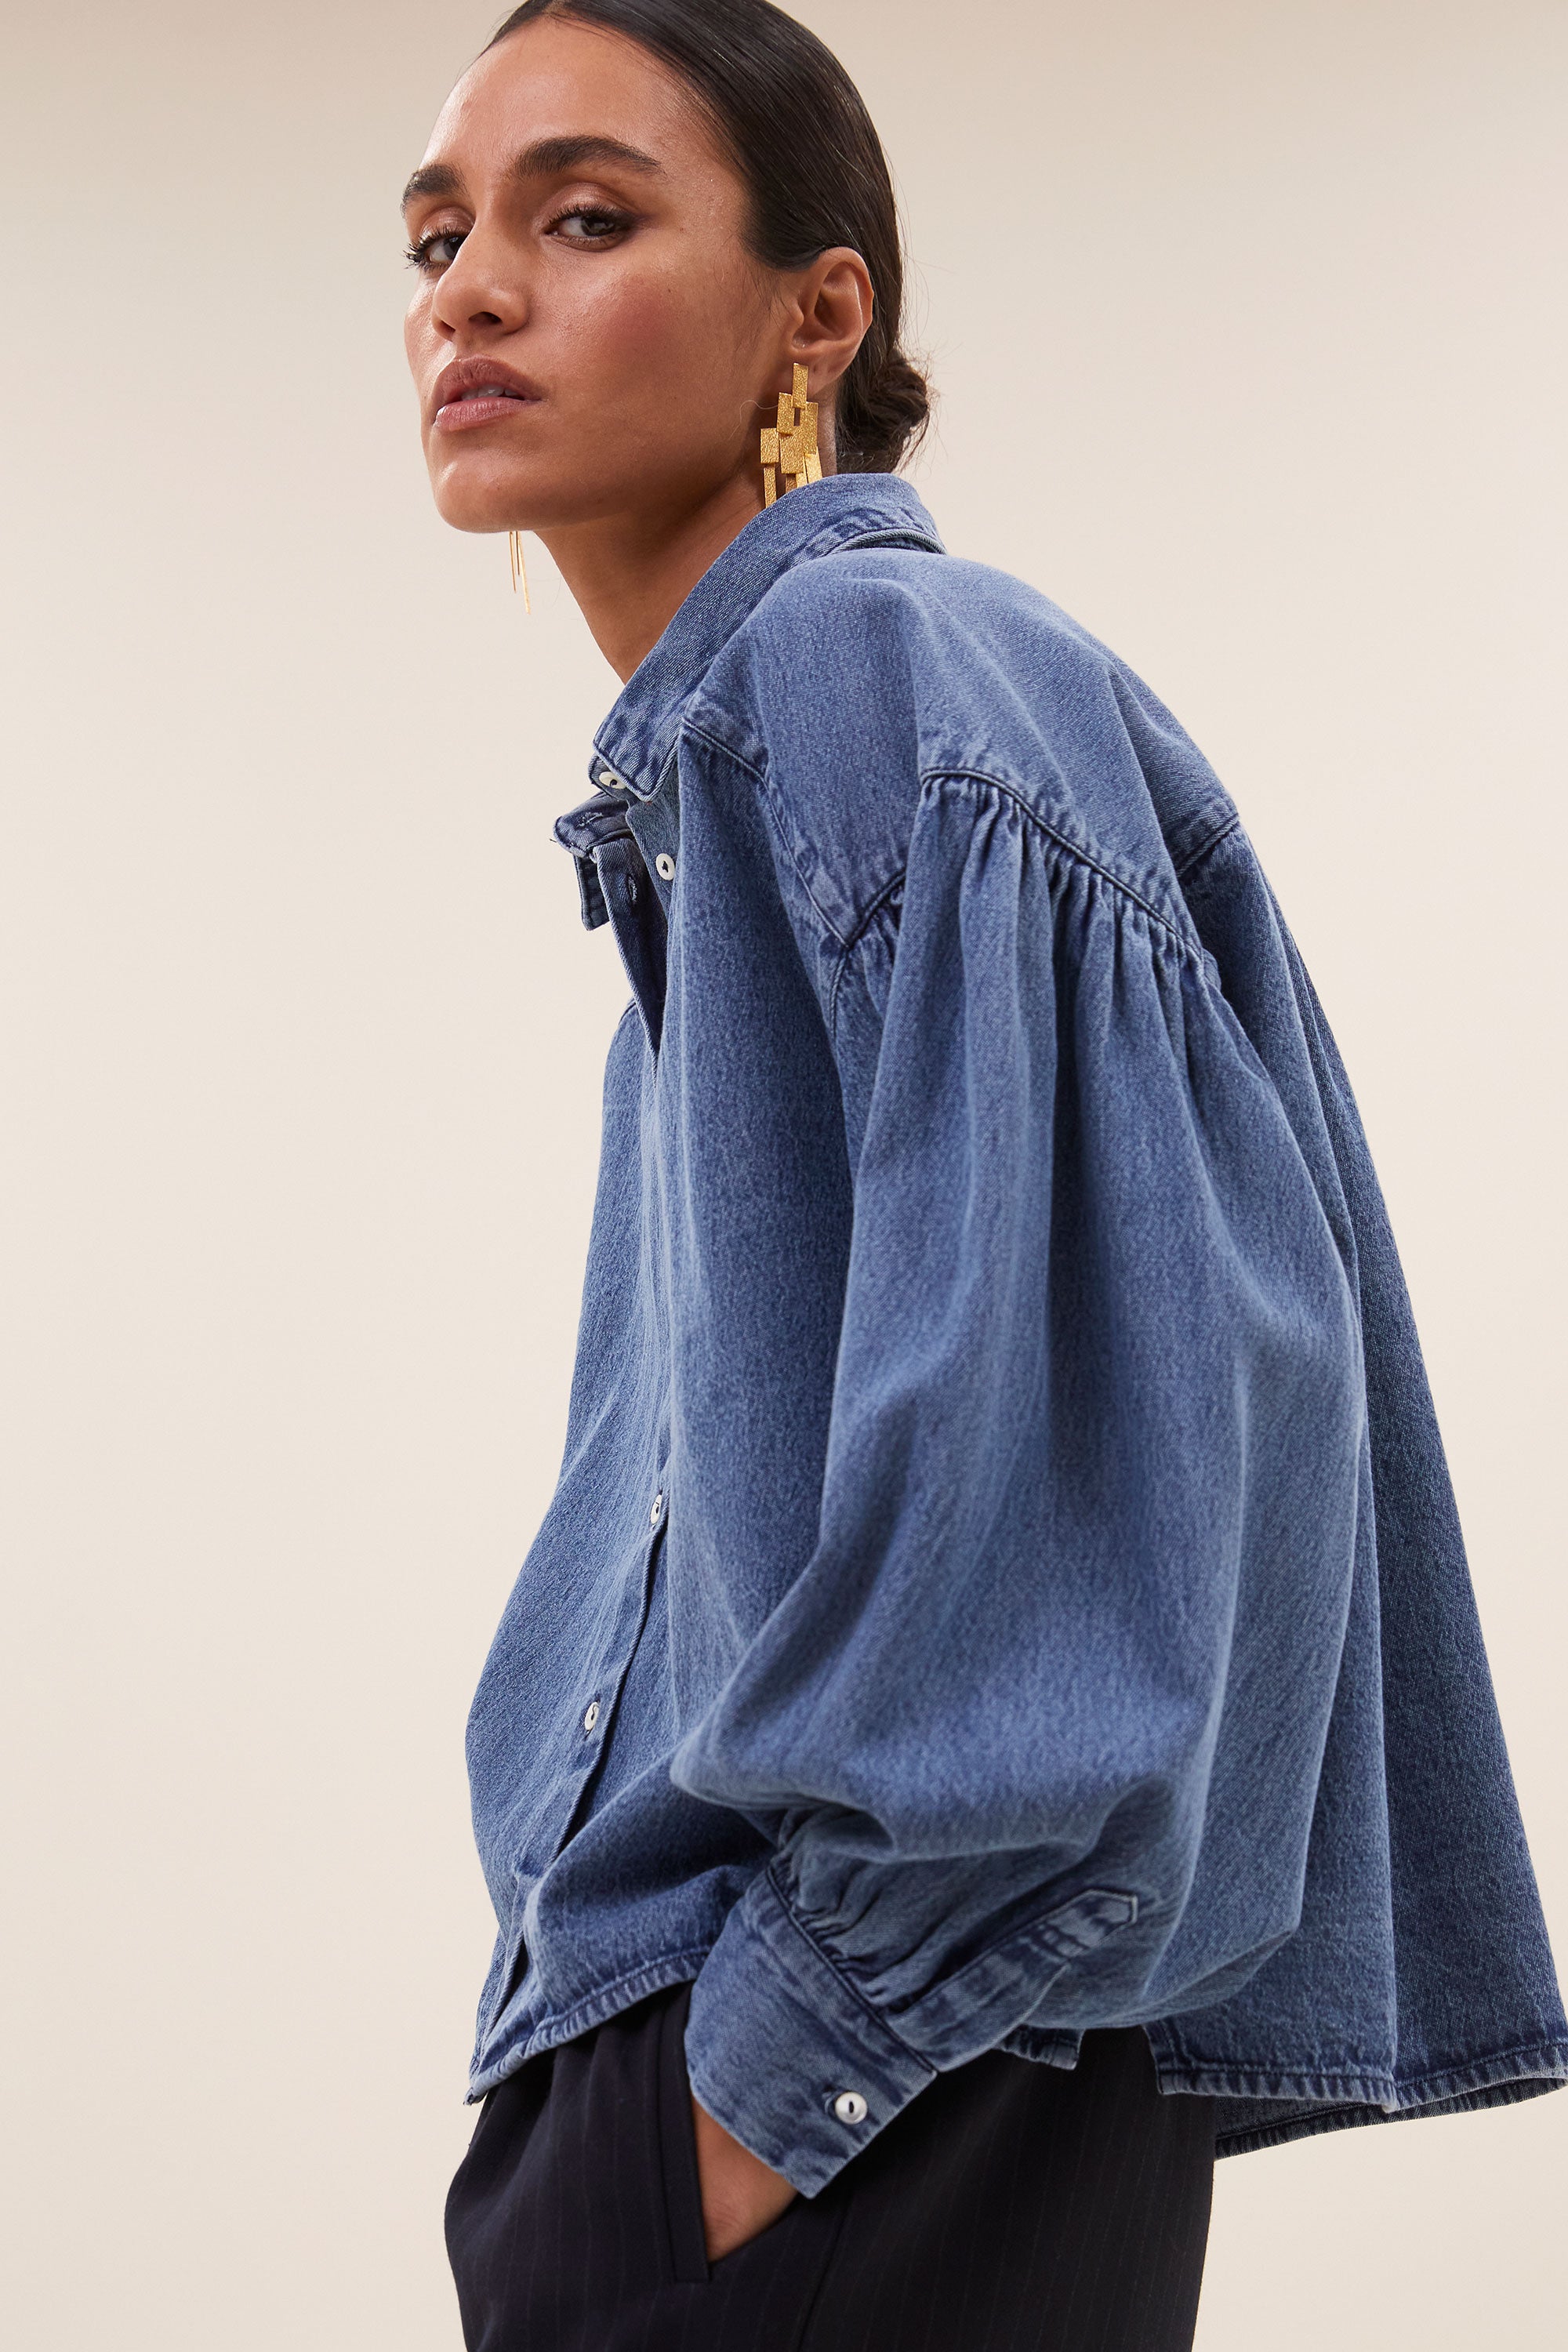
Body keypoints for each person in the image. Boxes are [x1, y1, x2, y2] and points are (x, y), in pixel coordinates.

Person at [400, 4, 1566, 2344]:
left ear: (819, 316)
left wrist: (763, 2091)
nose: (472, 292)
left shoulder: (874, 664)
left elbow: (1160, 1429)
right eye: (435, 242)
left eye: (585, 217)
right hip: (803, 2093)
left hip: (855, 2107)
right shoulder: (741, 791)